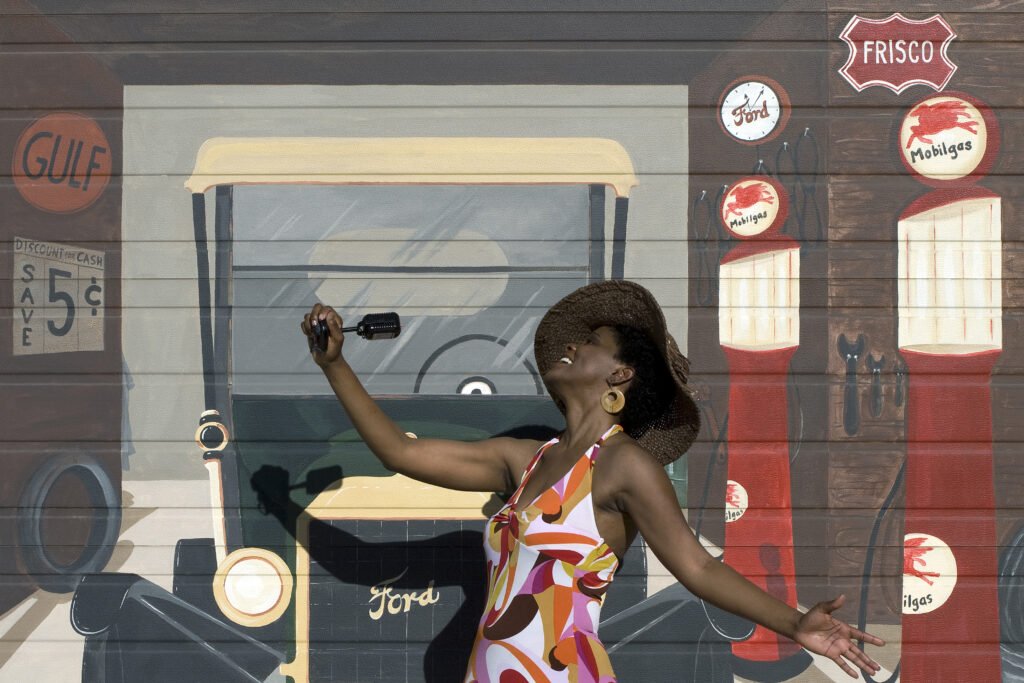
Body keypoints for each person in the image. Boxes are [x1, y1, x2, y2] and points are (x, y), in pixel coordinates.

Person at [301, 280, 884, 683]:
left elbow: (698, 566)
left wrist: (794, 622)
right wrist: (335, 365)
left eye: (592, 343)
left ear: (620, 374)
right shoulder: (523, 460)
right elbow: (400, 452)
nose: (572, 346)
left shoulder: (625, 466)